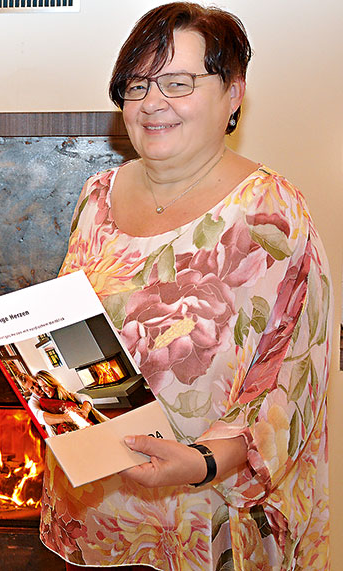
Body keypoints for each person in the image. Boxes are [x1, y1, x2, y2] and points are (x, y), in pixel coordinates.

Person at [39, 3, 332, 570]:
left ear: (234, 93)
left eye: (177, 82)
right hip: (98, 516)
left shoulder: (272, 213)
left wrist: (200, 461)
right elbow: (74, 335)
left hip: (207, 521)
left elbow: (294, 383)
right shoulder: (97, 197)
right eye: (138, 85)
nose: (152, 103)